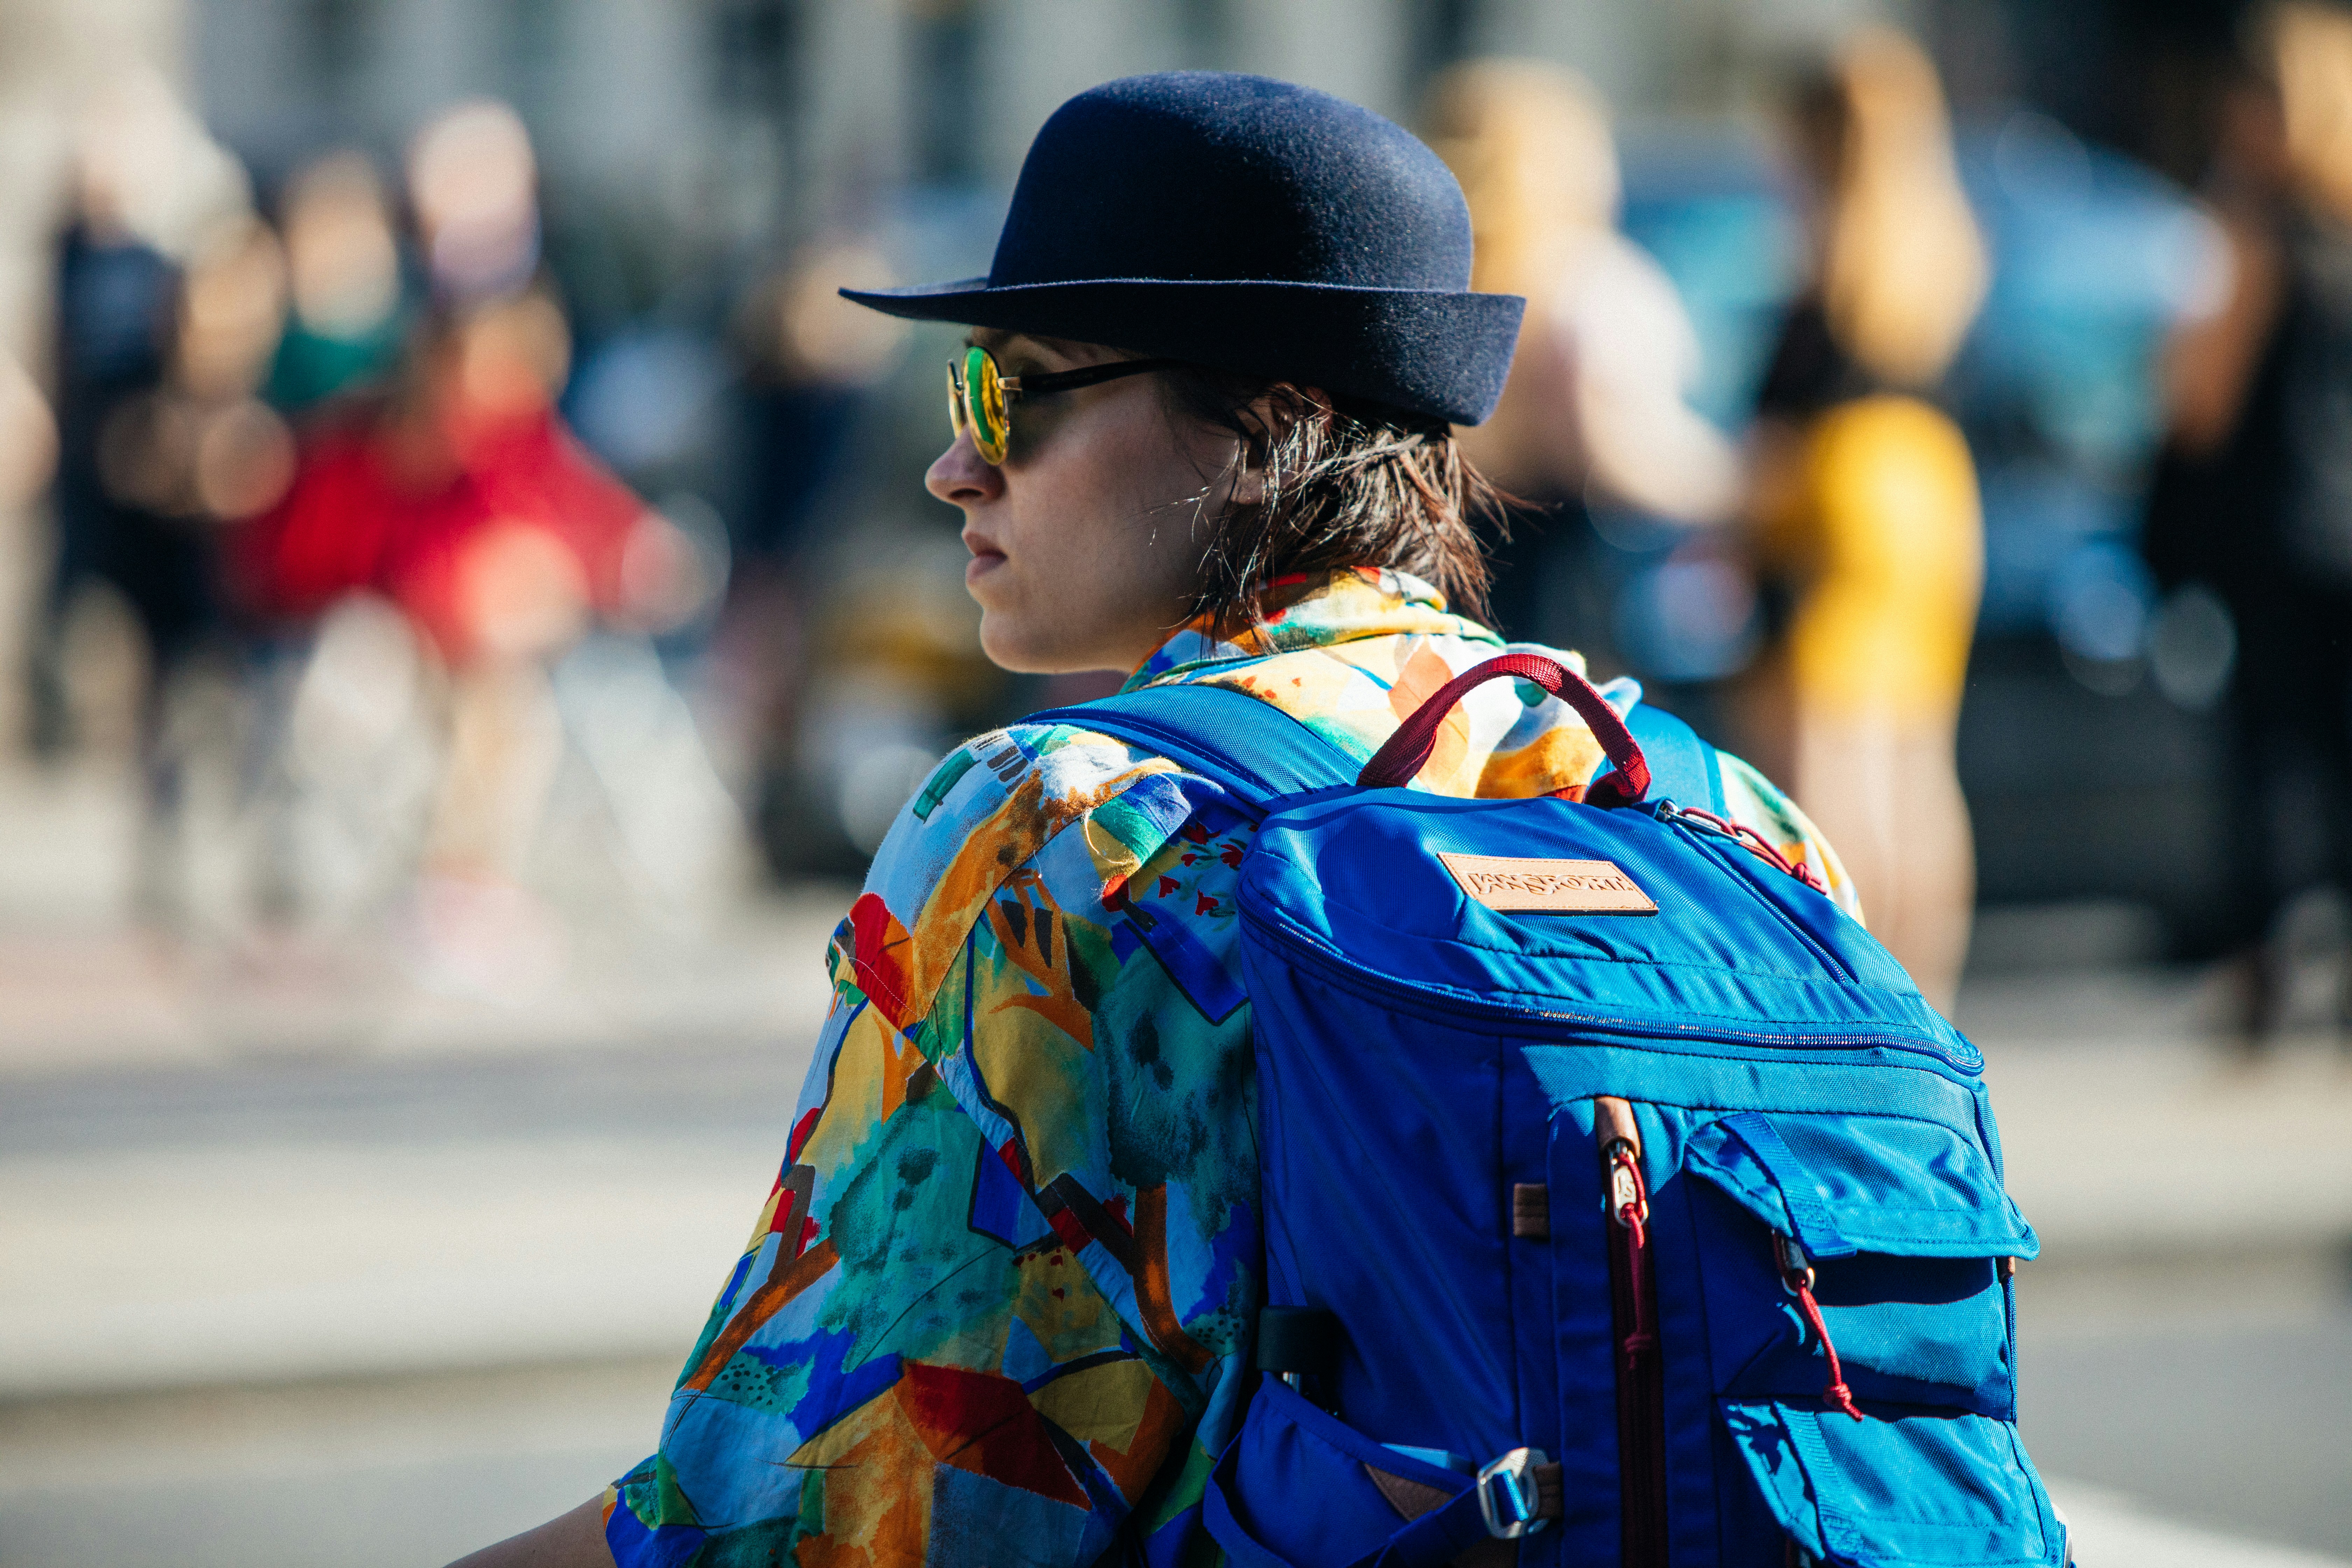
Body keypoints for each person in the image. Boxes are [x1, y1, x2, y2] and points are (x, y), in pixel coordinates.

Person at [451, 71, 1853, 1568]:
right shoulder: (1734, 821)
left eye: (1013, 391)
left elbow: (807, 1512)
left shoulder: (1071, 828)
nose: (954, 462)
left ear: (1271, 422)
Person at [1738, 28, 1988, 1014]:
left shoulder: (1830, 242)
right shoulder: (1941, 242)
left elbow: (1789, 420)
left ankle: (1860, 987)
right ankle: (1929, 987)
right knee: (1919, 758)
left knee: (1828, 756)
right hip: (1931, 490)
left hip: (1838, 488)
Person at [2144, 2, 2352, 1046]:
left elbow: (2203, 397)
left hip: (2282, 530)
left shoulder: (2254, 226)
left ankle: (2263, 977)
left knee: (2268, 761)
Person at [1421, 59, 1740, 650]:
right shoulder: (1582, 284)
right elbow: (1613, 458)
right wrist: (1744, 486)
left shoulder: (1441, 284)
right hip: (1559, 577)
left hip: (1448, 560)